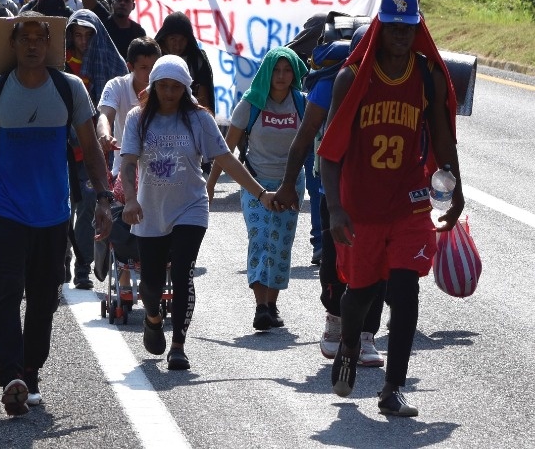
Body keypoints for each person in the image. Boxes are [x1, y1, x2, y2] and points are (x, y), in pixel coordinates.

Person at [0, 13, 112, 416]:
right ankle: (11, 375)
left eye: (39, 39)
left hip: (53, 216)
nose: (31, 46)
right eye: (23, 39)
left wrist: (103, 199)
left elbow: (91, 147)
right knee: (3, 295)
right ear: (14, 44)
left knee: (44, 301)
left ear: (50, 45)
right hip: (5, 213)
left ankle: (30, 370)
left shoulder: (69, 88)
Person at [319, 0, 463, 417]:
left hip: (410, 203)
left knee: (404, 289)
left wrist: (456, 188)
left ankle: (392, 388)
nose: (401, 35)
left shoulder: (427, 76)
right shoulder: (352, 77)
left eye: (408, 28)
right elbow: (330, 151)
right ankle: (348, 340)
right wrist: (335, 210)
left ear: (417, 28)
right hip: (362, 204)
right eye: (394, 28)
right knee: (362, 293)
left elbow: (442, 137)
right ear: (381, 29)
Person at [120, 55, 276, 370]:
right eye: (163, 86)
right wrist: (130, 200)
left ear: (185, 88)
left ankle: (178, 344)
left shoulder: (199, 120)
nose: (168, 93)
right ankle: (153, 317)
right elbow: (127, 162)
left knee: (182, 273)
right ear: (153, 86)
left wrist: (259, 193)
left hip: (190, 206)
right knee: (150, 283)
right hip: (150, 209)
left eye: (176, 87)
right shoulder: (138, 118)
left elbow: (227, 159)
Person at [273, 23, 386, 367]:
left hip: (382, 192)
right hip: (333, 189)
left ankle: (367, 334)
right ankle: (335, 321)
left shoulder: (398, 85)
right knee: (335, 260)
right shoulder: (331, 85)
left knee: (377, 262)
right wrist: (288, 183)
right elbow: (306, 134)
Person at [207, 47, 307, 331]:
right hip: (255, 183)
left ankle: (272, 304)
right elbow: (224, 150)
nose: (282, 76)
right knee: (261, 238)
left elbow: (318, 143)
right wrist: (211, 184)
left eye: (287, 71)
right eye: (276, 70)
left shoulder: (302, 103)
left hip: (290, 185)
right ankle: (260, 306)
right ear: (267, 72)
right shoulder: (250, 104)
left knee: (281, 246)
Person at [64, 9, 127, 290]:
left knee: (90, 208)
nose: (83, 41)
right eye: (77, 34)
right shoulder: (60, 63)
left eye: (89, 35)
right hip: (60, 149)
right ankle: (60, 260)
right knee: (60, 209)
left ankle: (82, 267)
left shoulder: (111, 64)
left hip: (93, 152)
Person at [97, 36, 162, 304]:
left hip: (162, 167)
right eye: (143, 67)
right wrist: (105, 136)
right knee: (122, 215)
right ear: (130, 66)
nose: (149, 73)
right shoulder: (117, 86)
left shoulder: (169, 86)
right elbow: (104, 116)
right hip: (124, 166)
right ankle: (124, 273)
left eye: (153, 67)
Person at [154, 11, 215, 114]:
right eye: (173, 39)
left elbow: (203, 101)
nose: (177, 45)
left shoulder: (197, 61)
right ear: (164, 38)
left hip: (188, 116)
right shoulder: (153, 57)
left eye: (182, 40)